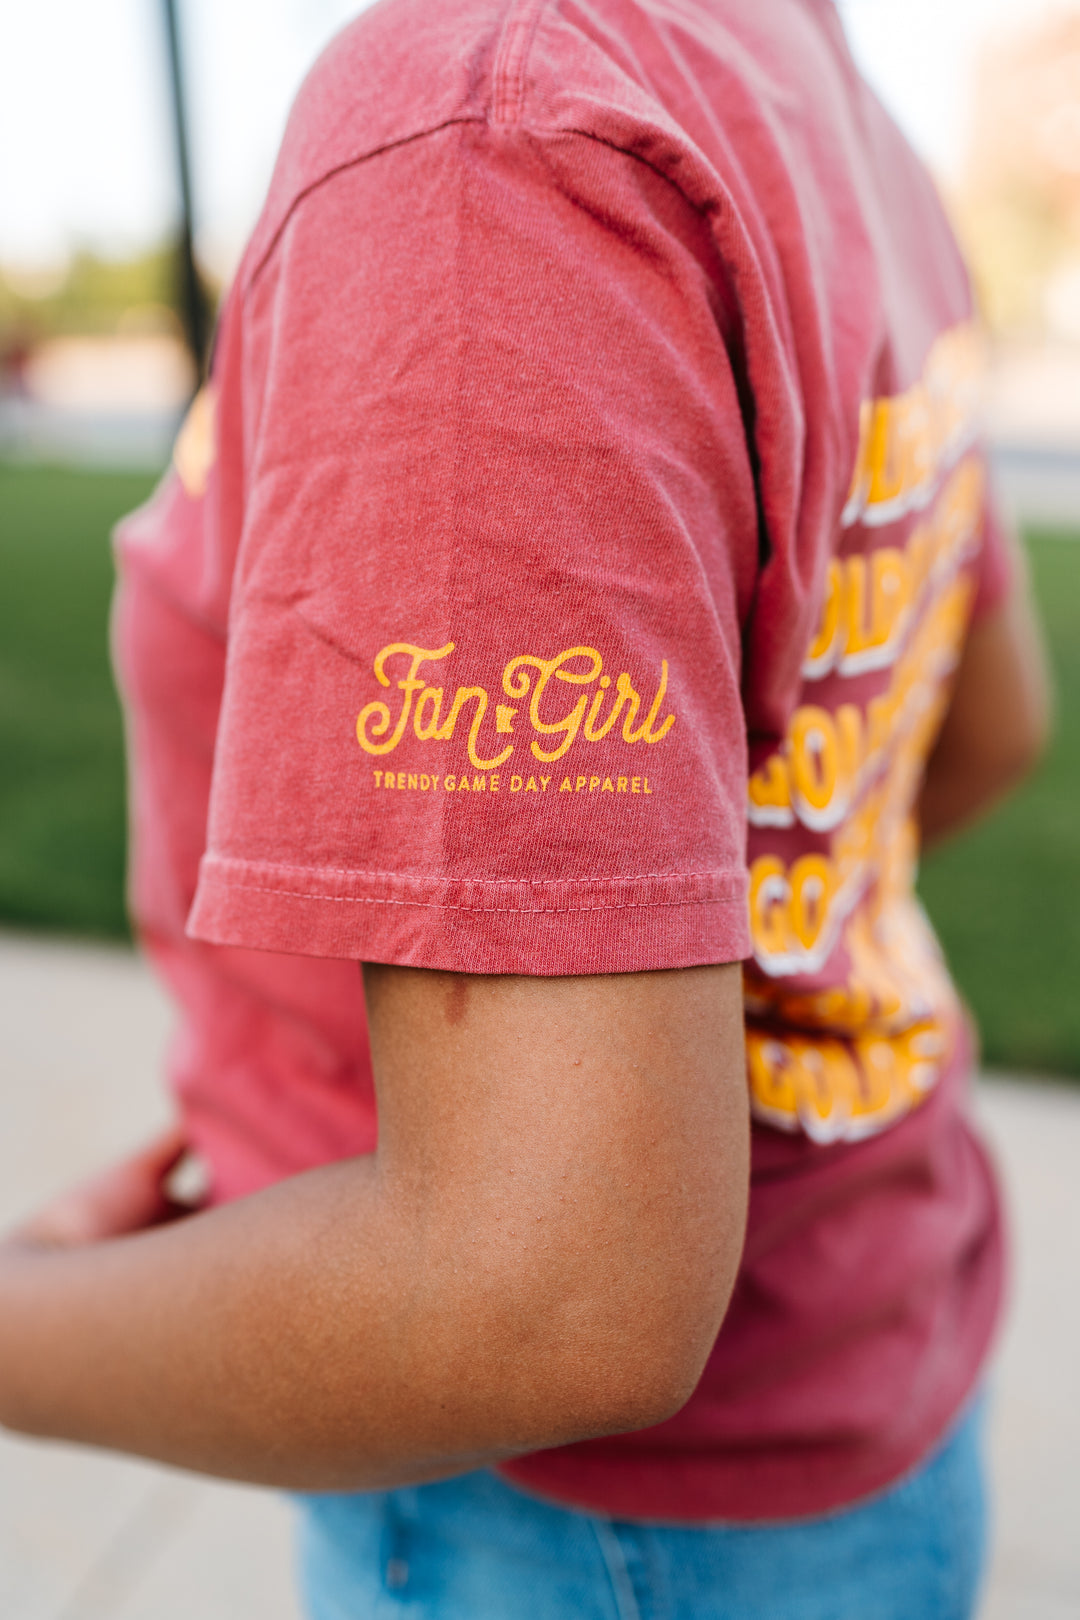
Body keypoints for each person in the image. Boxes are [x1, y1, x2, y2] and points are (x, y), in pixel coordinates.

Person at [0, 0, 1051, 1615]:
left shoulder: (490, 144)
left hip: (577, 1538)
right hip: (877, 1358)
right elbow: (988, 721)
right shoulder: (820, 89)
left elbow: (541, 1295)